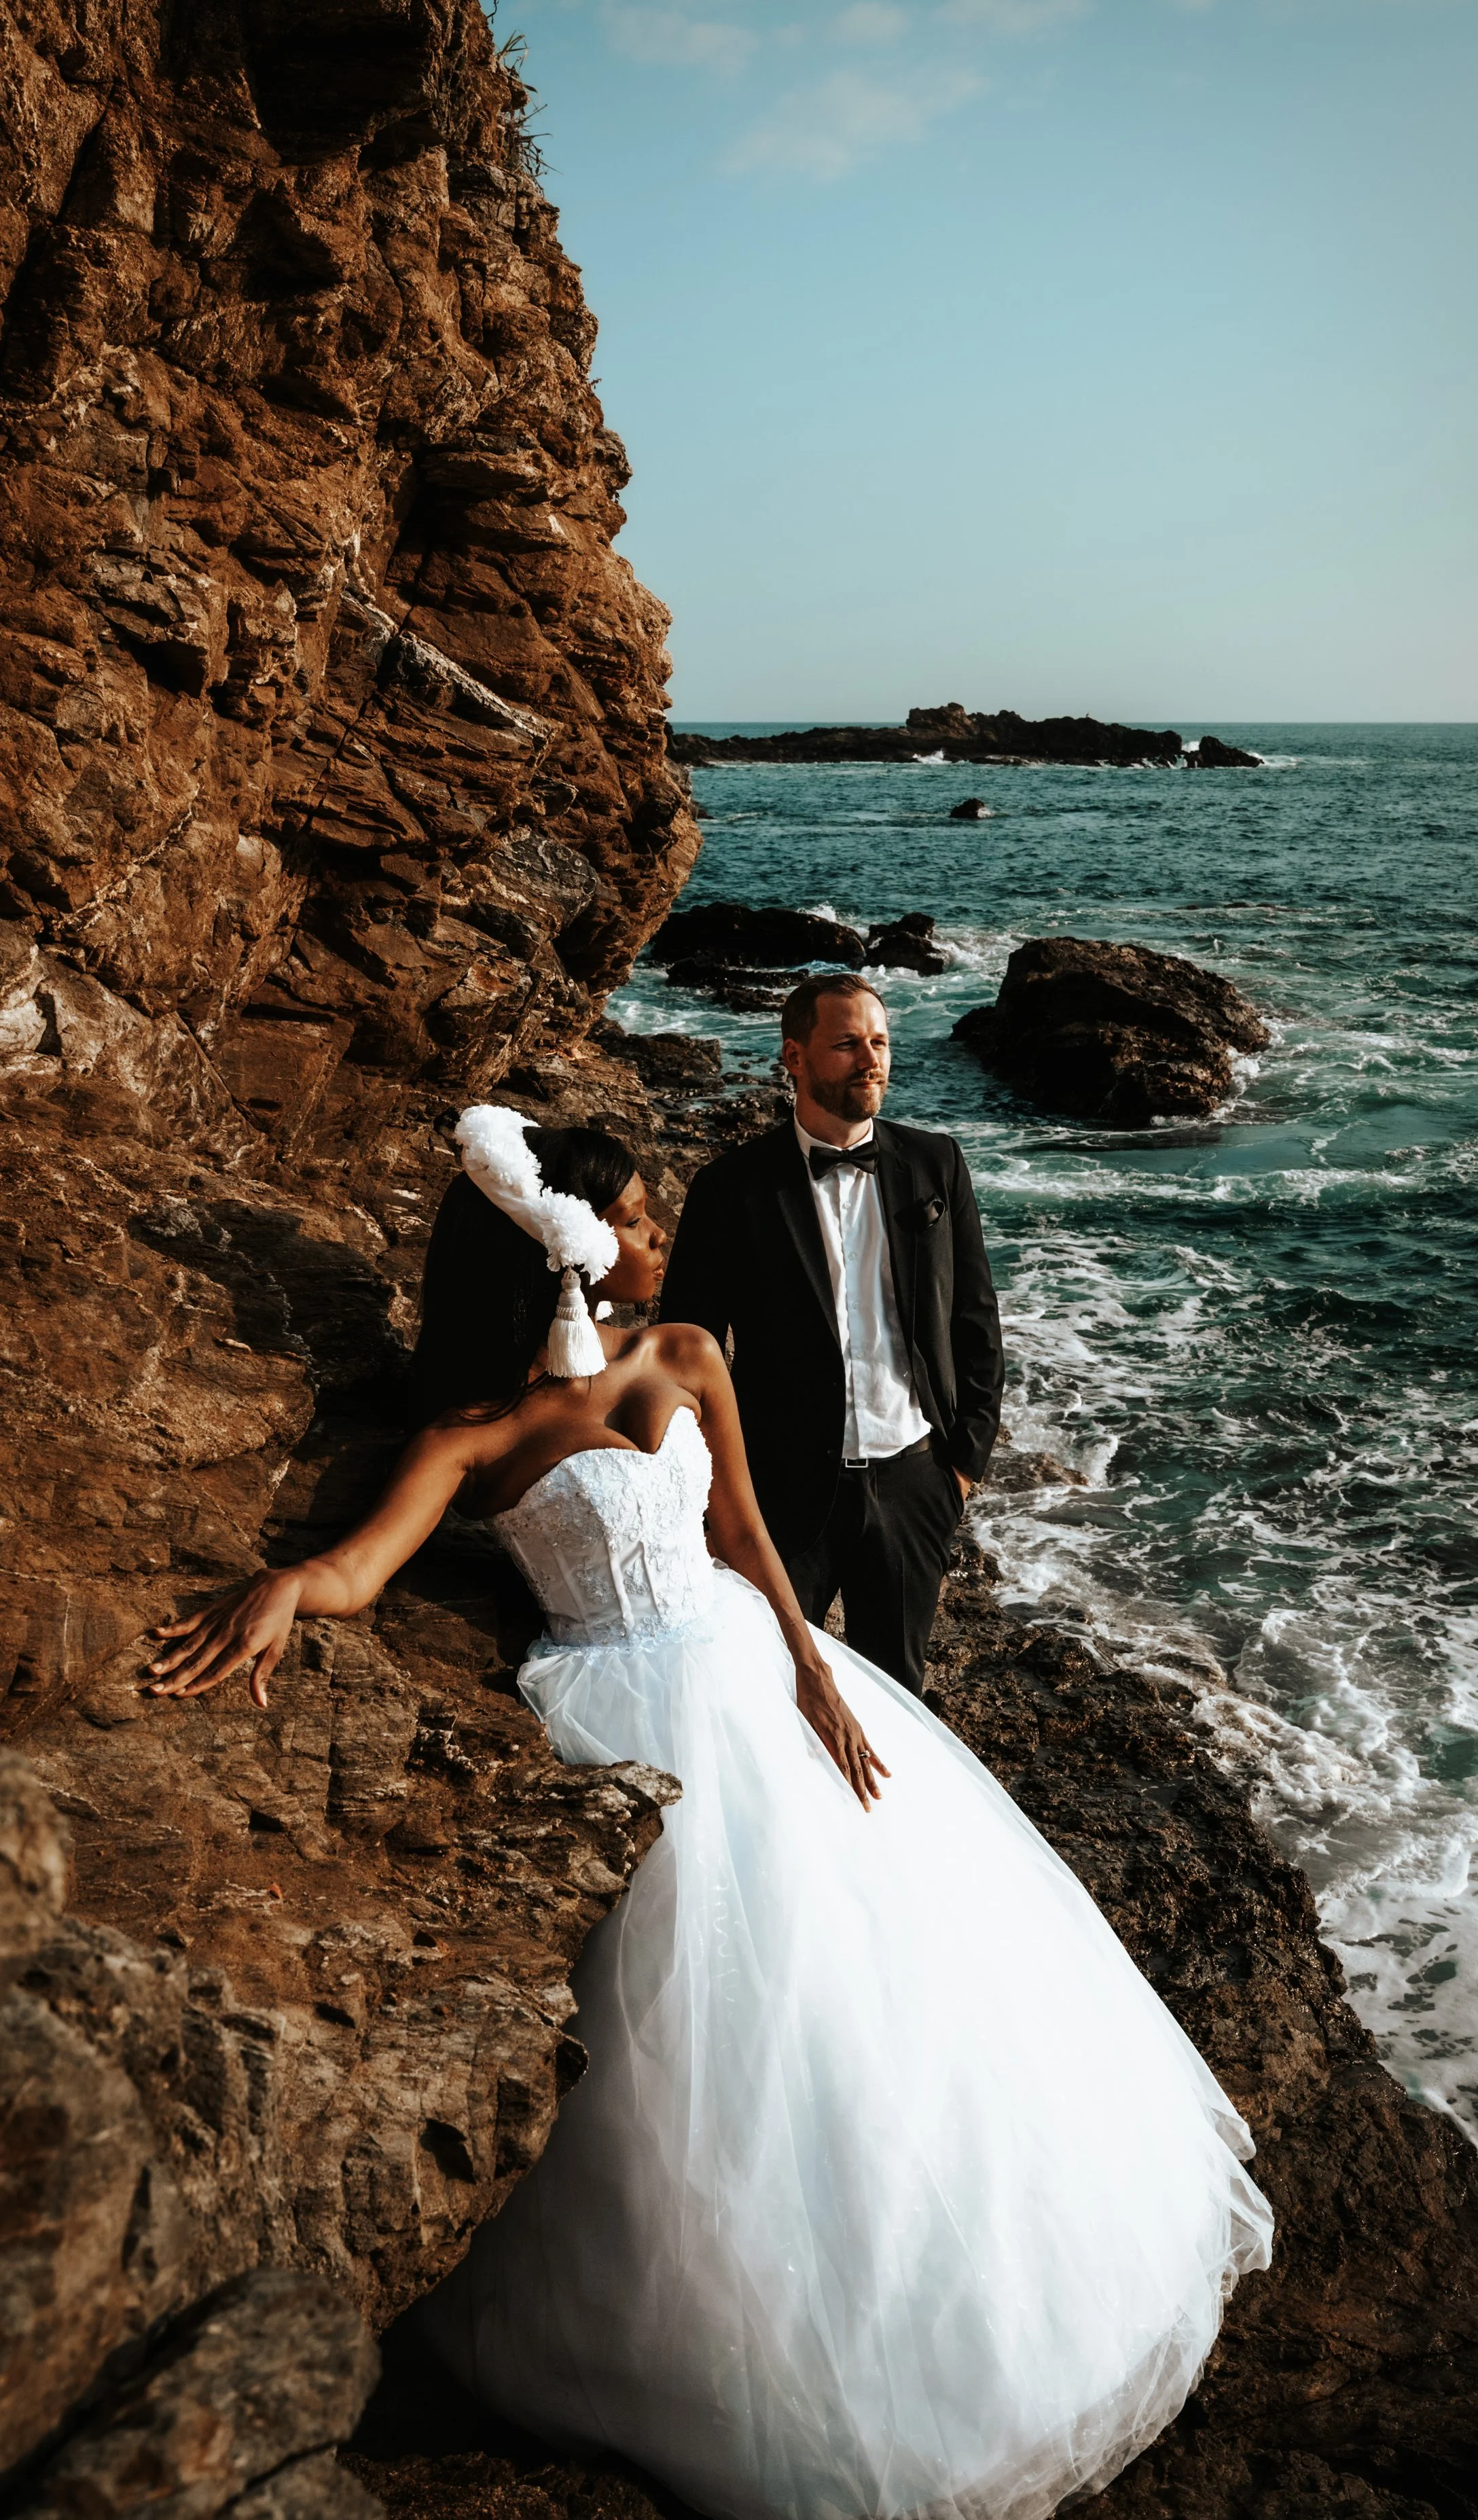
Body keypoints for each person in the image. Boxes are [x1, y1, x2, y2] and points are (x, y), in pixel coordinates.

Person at [145, 1107, 1272, 2520]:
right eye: (636, 1215)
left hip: (747, 1674)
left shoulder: (682, 1353)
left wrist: (815, 1672)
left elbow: (740, 1532)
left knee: (870, 1982)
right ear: (563, 1243)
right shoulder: (473, 1433)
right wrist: (279, 1591)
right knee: (686, 2042)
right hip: (615, 1720)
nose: (658, 1238)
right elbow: (360, 1570)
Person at [659, 972, 1001, 1695]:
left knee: (899, 1698)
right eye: (846, 1044)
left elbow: (974, 1320)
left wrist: (960, 1468)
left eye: (878, 1042)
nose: (869, 1059)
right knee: (770, 1688)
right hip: (782, 1489)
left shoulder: (936, 1164)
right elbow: (683, 1350)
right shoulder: (731, 1187)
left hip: (913, 1480)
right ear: (793, 1056)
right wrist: (717, 1492)